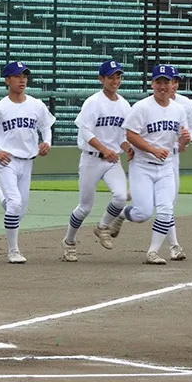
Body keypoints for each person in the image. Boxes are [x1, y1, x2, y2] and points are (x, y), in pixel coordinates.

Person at [106, 65, 190, 265]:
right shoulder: (142, 107)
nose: (162, 86)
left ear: (172, 85)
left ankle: (152, 252)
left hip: (166, 167)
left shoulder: (179, 110)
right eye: (159, 82)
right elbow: (130, 134)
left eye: (166, 82)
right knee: (143, 213)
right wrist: (152, 149)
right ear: (152, 84)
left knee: (165, 210)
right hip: (142, 166)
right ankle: (124, 213)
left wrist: (185, 140)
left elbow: (181, 142)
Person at [0, 61, 56, 264]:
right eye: (17, 76)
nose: (22, 80)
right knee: (14, 205)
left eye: (24, 76)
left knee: (19, 211)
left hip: (28, 161)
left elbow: (46, 126)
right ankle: (13, 251)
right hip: (7, 161)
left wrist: (47, 141)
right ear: (7, 80)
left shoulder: (36, 105)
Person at [62, 60, 133, 262]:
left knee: (120, 197)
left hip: (112, 160)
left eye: (118, 76)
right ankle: (69, 241)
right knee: (85, 207)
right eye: (111, 77)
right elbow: (85, 131)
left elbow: (122, 135)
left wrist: (128, 148)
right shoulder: (93, 102)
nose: (115, 81)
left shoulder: (123, 104)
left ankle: (103, 226)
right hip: (92, 159)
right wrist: (104, 149)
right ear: (101, 79)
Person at [169, 65, 192, 197]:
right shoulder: (147, 105)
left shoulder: (185, 103)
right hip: (152, 153)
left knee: (172, 195)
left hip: (174, 153)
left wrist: (185, 141)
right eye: (171, 81)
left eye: (175, 81)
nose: (173, 85)